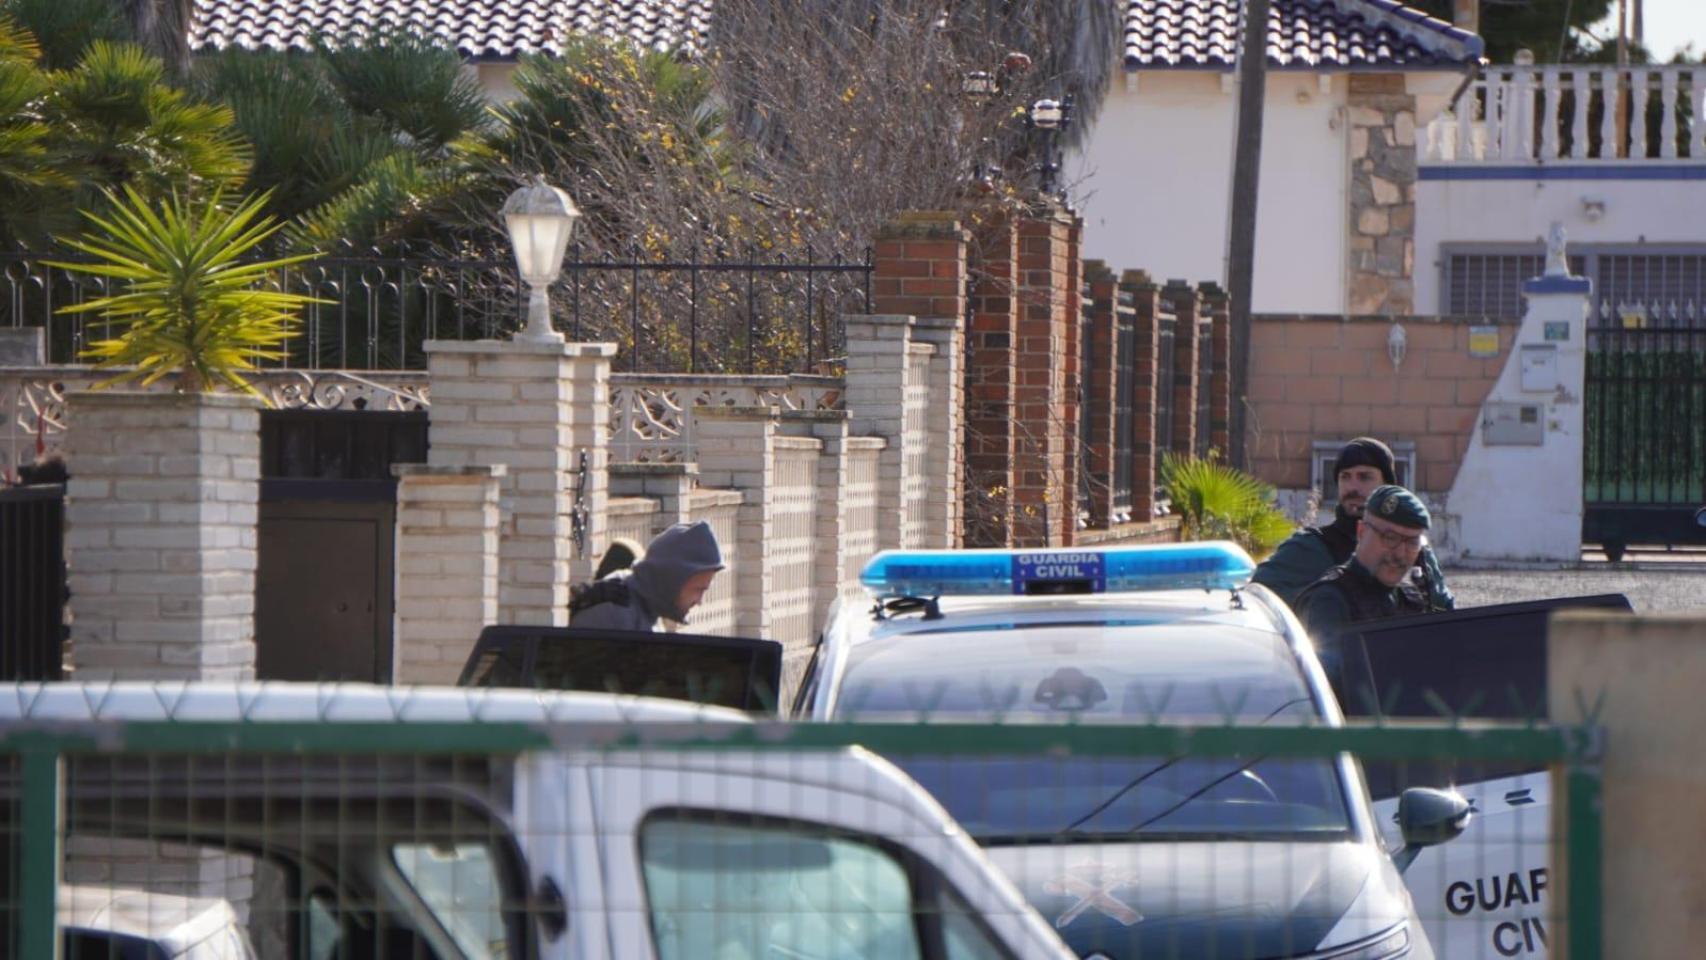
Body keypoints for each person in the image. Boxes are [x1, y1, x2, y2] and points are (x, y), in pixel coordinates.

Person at [1250, 437, 1453, 611]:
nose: (1352, 487)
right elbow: (1258, 599)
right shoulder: (1310, 547)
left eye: (1365, 477)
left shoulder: (1416, 550)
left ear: (1387, 486)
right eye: (1345, 477)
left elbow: (1445, 613)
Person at [1293, 484, 1434, 665]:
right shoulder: (1330, 600)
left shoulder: (1411, 597)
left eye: (1412, 542)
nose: (1400, 553)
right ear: (1362, 532)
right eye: (1390, 537)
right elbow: (1333, 681)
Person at [568, 521, 724, 632]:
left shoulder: (646, 607)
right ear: (673, 580)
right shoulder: (617, 611)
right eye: (698, 589)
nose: (699, 601)